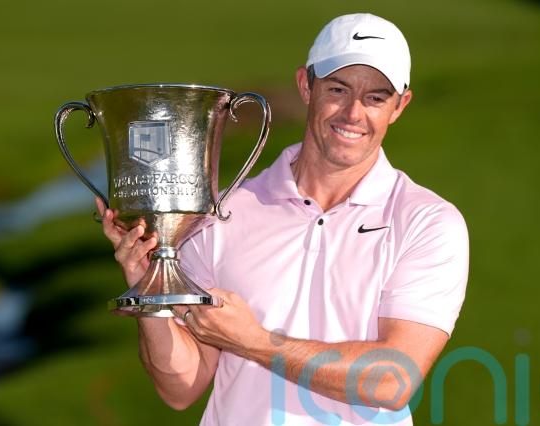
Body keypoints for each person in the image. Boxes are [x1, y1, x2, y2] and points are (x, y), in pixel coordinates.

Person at [97, 13, 469, 426]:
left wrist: (255, 342)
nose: (353, 113)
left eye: (376, 98)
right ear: (305, 85)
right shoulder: (222, 214)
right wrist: (149, 289)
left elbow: (391, 380)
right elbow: (180, 388)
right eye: (338, 89)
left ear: (400, 106)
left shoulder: (427, 222)